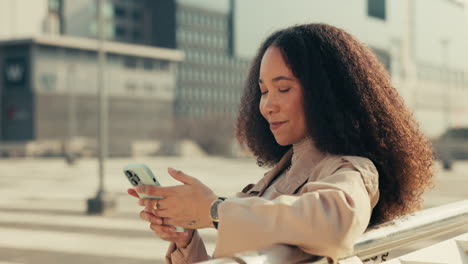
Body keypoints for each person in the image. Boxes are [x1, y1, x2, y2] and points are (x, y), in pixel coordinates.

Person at [127, 23, 434, 263]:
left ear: (326, 94)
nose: (267, 105)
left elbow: (332, 226)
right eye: (263, 91)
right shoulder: (277, 176)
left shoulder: (350, 169)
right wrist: (186, 241)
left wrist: (216, 210)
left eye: (283, 89)